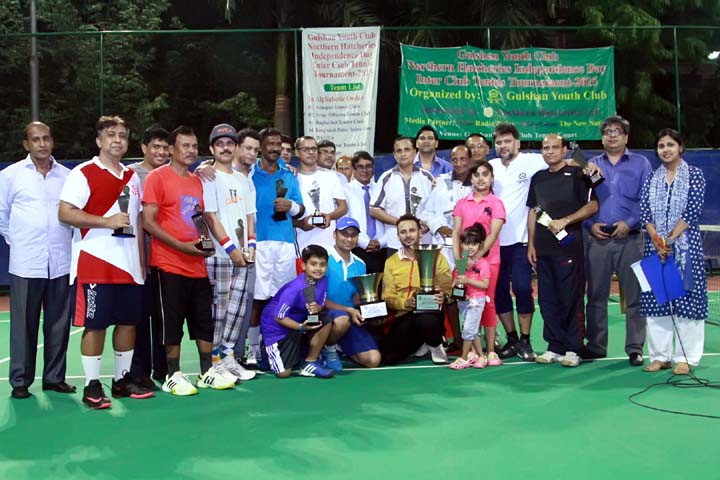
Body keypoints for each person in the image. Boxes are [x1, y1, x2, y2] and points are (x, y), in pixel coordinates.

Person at [58, 115, 153, 409]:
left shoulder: (132, 177)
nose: (117, 139)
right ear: (99, 140)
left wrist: (141, 264)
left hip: (129, 266)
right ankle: (92, 385)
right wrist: (105, 221)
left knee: (128, 323)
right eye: (111, 134)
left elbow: (136, 222)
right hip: (95, 261)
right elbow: (65, 213)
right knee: (95, 325)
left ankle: (122, 380)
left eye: (123, 135)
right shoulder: (83, 173)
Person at [142, 125, 236, 395]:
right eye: (185, 145)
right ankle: (173, 374)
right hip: (168, 263)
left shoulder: (198, 180)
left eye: (194, 146)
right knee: (171, 323)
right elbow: (148, 222)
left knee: (203, 321)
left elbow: (200, 218)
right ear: (171, 149)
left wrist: (203, 244)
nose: (191, 151)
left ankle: (206, 371)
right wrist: (183, 247)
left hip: (197, 265)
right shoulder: (157, 178)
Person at [0, 121, 74, 399]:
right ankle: (20, 381)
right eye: (35, 139)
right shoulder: (10, 176)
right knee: (23, 326)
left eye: (46, 138)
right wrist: (18, 241)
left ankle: (54, 378)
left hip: (60, 262)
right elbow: (1, 215)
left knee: (58, 324)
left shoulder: (67, 177)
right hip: (26, 263)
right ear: (26, 144)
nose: (41, 144)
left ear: (52, 141)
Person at [583, 116, 652, 366]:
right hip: (598, 240)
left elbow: (648, 200)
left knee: (635, 297)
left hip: (631, 240)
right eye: (608, 132)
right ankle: (596, 345)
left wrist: (630, 223)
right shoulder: (591, 165)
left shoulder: (641, 164)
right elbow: (583, 202)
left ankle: (635, 348)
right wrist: (591, 226)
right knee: (596, 296)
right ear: (602, 137)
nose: (612, 135)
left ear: (626, 137)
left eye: (617, 131)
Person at [527, 134, 598, 367]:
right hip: (544, 249)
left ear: (565, 150)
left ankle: (574, 347)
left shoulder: (579, 175)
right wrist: (531, 242)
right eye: (545, 148)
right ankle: (554, 346)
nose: (549, 151)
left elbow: (593, 205)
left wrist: (566, 220)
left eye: (554, 147)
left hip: (569, 247)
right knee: (547, 300)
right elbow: (534, 211)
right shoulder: (538, 178)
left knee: (571, 298)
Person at [640, 129, 707, 375]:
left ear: (680, 147)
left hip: (685, 250)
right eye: (660, 146)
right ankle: (660, 357)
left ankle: (685, 358)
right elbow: (645, 214)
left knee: (687, 303)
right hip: (654, 248)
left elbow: (691, 212)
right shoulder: (650, 178)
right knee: (657, 302)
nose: (665, 149)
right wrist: (658, 241)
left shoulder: (695, 176)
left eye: (670, 144)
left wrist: (669, 239)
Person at [201, 124, 257, 382]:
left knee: (237, 308)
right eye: (219, 143)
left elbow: (249, 216)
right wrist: (231, 248)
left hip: (243, 255)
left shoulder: (242, 179)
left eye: (229, 143)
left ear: (235, 147)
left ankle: (229, 356)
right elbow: (210, 217)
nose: (225, 147)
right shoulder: (207, 177)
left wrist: (251, 246)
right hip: (219, 256)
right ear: (212, 148)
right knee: (219, 309)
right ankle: (214, 361)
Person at [247, 127, 304, 366]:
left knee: (283, 298)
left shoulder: (289, 174)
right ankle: (252, 350)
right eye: (269, 144)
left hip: (284, 244)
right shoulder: (249, 173)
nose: (274, 148)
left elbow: (301, 210)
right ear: (261, 146)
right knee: (258, 298)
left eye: (277, 144)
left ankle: (280, 346)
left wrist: (289, 205)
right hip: (259, 243)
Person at [260, 244, 344, 379]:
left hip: (299, 322)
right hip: (277, 327)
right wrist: (300, 327)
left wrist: (318, 308)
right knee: (284, 373)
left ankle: (310, 362)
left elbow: (319, 305)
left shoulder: (323, 281)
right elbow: (278, 317)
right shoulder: (294, 289)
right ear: (304, 266)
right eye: (313, 264)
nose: (318, 268)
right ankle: (266, 350)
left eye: (322, 265)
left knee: (325, 319)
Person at [378, 214, 452, 364]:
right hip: (405, 316)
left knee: (426, 321)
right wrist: (405, 303)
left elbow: (447, 286)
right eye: (403, 232)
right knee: (388, 358)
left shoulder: (437, 256)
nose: (408, 235)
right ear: (398, 236)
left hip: (430, 312)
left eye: (412, 230)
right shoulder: (391, 262)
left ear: (420, 232)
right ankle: (422, 341)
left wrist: (443, 295)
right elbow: (387, 296)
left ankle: (435, 344)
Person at [127, 126, 169, 387]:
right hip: (138, 259)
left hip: (167, 257)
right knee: (140, 318)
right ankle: (139, 371)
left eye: (166, 147)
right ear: (143, 148)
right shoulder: (130, 175)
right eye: (156, 146)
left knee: (164, 317)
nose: (161, 152)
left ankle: (163, 369)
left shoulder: (174, 174)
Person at [452, 161, 506, 364]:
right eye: (476, 175)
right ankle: (474, 351)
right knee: (466, 303)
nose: (481, 178)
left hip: (489, 260)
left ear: (491, 178)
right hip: (463, 261)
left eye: (485, 174)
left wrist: (476, 258)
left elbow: (492, 235)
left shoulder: (496, 203)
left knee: (487, 303)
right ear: (471, 178)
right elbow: (456, 233)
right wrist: (460, 262)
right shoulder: (462, 203)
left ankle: (491, 350)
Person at [323, 217, 381, 369]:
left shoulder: (360, 264)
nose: (349, 239)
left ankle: (342, 346)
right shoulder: (323, 260)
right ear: (335, 235)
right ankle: (327, 347)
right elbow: (317, 299)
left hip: (350, 317)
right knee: (342, 320)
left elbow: (356, 298)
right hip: (326, 315)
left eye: (353, 235)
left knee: (373, 360)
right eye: (344, 234)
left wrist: (371, 311)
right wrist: (348, 310)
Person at [370, 137, 434, 256]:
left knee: (423, 275)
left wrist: (428, 225)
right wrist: (399, 222)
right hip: (395, 243)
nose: (403, 154)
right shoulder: (386, 178)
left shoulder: (427, 177)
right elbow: (374, 209)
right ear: (394, 155)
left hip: (423, 241)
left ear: (415, 152)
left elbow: (435, 209)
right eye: (399, 151)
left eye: (407, 150)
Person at [293, 135, 347, 252]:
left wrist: (329, 216)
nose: (311, 152)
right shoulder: (292, 178)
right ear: (297, 152)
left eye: (314, 149)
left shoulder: (330, 176)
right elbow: (284, 215)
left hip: (329, 244)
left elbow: (343, 207)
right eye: (306, 149)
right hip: (302, 244)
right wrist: (301, 224)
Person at [449, 224, 491, 370]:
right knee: (473, 330)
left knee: (467, 330)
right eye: (467, 243)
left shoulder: (483, 263)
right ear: (461, 244)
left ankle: (464, 357)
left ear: (480, 245)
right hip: (463, 301)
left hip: (476, 301)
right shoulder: (460, 262)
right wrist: (456, 288)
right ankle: (480, 356)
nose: (470, 247)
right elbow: (456, 281)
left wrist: (468, 280)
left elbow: (485, 284)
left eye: (474, 243)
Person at [345, 151, 387, 274]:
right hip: (357, 248)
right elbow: (346, 221)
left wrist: (381, 242)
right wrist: (365, 242)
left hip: (383, 249)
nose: (365, 170)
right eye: (360, 167)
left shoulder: (382, 189)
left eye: (368, 166)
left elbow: (389, 218)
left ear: (373, 168)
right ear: (353, 169)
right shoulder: (345, 191)